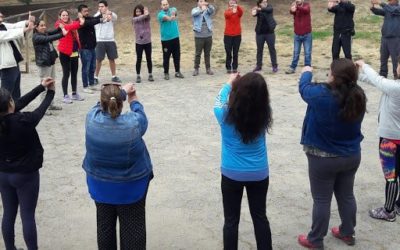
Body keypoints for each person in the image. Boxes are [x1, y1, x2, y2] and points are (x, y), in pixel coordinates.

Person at [297, 59, 367, 249]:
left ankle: (315, 239)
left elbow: (304, 89)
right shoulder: (358, 95)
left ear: (334, 76)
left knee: (321, 199)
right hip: (351, 155)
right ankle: (347, 232)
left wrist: (306, 71)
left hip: (323, 157)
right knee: (346, 195)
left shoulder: (321, 95)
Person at [83, 82, 153, 250]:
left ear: (102, 103)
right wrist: (132, 97)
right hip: (131, 187)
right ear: (121, 104)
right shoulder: (133, 123)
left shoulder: (91, 119)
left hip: (100, 186)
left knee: (104, 228)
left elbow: (99, 104)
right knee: (133, 229)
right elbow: (140, 113)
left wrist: (119, 92)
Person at [214, 72, 273, 249]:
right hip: (259, 172)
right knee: (260, 217)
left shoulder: (224, 114)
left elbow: (218, 101)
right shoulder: (264, 113)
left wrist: (228, 83)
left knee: (231, 221)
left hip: (232, 173)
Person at [0, 77, 56, 250]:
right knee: (27, 216)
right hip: (25, 174)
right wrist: (50, 93)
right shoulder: (23, 121)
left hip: (3, 173)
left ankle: (10, 248)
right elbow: (40, 110)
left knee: (8, 213)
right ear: (10, 102)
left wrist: (40, 87)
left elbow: (21, 102)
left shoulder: (10, 118)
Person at [356, 58, 400, 221]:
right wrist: (356, 76)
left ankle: (388, 211)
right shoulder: (393, 86)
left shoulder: (396, 88)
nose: (397, 67)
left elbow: (378, 80)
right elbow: (378, 82)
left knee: (391, 176)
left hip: (390, 139)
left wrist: (363, 65)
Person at [32, 19, 65, 112]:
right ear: (36, 27)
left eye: (44, 25)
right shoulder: (36, 37)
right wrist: (62, 34)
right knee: (44, 85)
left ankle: (51, 104)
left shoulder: (45, 33)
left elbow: (54, 31)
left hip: (50, 62)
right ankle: (43, 109)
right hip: (43, 64)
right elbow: (49, 38)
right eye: (41, 26)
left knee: (51, 84)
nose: (44, 27)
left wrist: (60, 27)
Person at [0, 11, 35, 100]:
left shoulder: (3, 25)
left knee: (16, 92)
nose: (1, 17)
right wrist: (25, 29)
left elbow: (14, 26)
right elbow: (7, 34)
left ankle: (16, 111)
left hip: (14, 63)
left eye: (1, 15)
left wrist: (27, 22)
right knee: (6, 94)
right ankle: (4, 113)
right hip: (6, 66)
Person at [78, 4, 110, 94]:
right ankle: (85, 86)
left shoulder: (89, 18)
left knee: (92, 67)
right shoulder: (80, 21)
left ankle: (91, 84)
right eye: (84, 11)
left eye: (87, 11)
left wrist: (102, 13)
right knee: (86, 67)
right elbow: (90, 23)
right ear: (80, 13)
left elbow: (94, 19)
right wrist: (101, 19)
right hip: (84, 48)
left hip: (92, 47)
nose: (87, 13)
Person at [55, 9, 85, 104]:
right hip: (64, 52)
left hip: (74, 51)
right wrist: (80, 22)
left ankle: (74, 93)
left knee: (74, 73)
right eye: (63, 15)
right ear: (60, 16)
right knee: (66, 73)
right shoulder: (58, 24)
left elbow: (76, 24)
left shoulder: (71, 22)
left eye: (66, 15)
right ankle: (65, 95)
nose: (65, 17)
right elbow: (70, 27)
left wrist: (80, 20)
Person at [370, 0, 400, 79]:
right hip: (385, 38)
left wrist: (380, 3)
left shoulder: (398, 8)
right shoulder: (388, 9)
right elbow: (378, 12)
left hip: (395, 39)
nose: (388, 1)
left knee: (395, 59)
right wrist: (373, 8)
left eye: (390, 0)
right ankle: (383, 75)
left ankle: (396, 76)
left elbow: (392, 10)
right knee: (383, 58)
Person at [94, 0, 122, 84]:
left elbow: (115, 17)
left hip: (110, 40)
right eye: (99, 6)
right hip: (100, 40)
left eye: (102, 6)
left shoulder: (111, 14)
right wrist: (103, 16)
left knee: (112, 58)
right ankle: (95, 77)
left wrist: (110, 14)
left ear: (106, 7)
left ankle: (114, 76)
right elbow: (95, 19)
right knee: (99, 59)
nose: (100, 8)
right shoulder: (96, 15)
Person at [157, 0, 184, 80]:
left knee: (177, 55)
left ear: (168, 4)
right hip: (166, 40)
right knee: (166, 57)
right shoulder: (160, 14)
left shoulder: (172, 9)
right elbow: (166, 18)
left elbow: (174, 10)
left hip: (175, 37)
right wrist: (170, 18)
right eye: (163, 5)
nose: (165, 6)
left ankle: (177, 72)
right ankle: (166, 73)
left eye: (166, 4)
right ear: (161, 6)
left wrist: (173, 13)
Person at [285, 0, 312, 74]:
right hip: (297, 34)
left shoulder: (306, 5)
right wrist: (292, 9)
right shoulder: (295, 6)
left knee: (307, 52)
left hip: (307, 34)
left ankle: (307, 68)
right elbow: (291, 11)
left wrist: (297, 7)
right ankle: (293, 67)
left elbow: (306, 10)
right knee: (296, 52)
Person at [251, 0, 278, 73]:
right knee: (259, 50)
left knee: (272, 49)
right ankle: (258, 66)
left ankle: (274, 66)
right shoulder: (258, 9)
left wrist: (259, 9)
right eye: (263, 2)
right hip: (260, 33)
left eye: (266, 1)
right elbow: (254, 14)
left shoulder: (269, 7)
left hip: (270, 33)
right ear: (260, 3)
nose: (265, 3)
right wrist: (254, 12)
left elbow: (268, 9)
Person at [191, 0, 215, 76]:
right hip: (199, 35)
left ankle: (208, 68)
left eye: (203, 1)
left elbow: (212, 10)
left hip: (208, 34)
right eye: (200, 1)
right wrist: (201, 10)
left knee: (207, 53)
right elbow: (194, 14)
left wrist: (208, 5)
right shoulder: (195, 9)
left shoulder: (207, 10)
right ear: (198, 3)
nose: (202, 3)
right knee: (198, 53)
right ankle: (196, 69)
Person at [132, 4, 154, 83]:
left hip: (147, 42)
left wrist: (147, 13)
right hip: (139, 43)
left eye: (139, 11)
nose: (138, 13)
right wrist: (144, 15)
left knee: (149, 59)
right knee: (139, 59)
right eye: (136, 11)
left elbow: (148, 16)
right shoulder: (134, 19)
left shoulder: (146, 18)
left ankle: (150, 74)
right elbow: (139, 18)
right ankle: (138, 75)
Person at [224, 0, 243, 74]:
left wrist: (237, 7)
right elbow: (227, 15)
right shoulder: (227, 11)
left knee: (235, 52)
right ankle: (228, 67)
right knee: (228, 52)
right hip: (228, 35)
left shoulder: (238, 12)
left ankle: (235, 67)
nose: (232, 3)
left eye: (234, 2)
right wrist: (233, 11)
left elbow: (241, 12)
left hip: (237, 35)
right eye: (230, 2)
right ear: (228, 4)